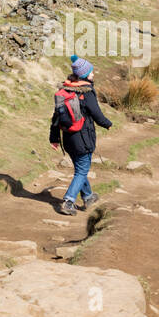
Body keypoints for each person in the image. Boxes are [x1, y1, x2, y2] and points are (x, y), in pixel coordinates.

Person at [49, 56, 113, 216]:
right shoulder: (86, 92)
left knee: (80, 169)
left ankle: (88, 197)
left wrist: (54, 138)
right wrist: (107, 123)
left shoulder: (64, 91)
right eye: (91, 72)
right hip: (83, 139)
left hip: (68, 139)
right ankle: (68, 201)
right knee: (82, 170)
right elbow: (97, 115)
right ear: (84, 75)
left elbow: (56, 117)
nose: (93, 75)